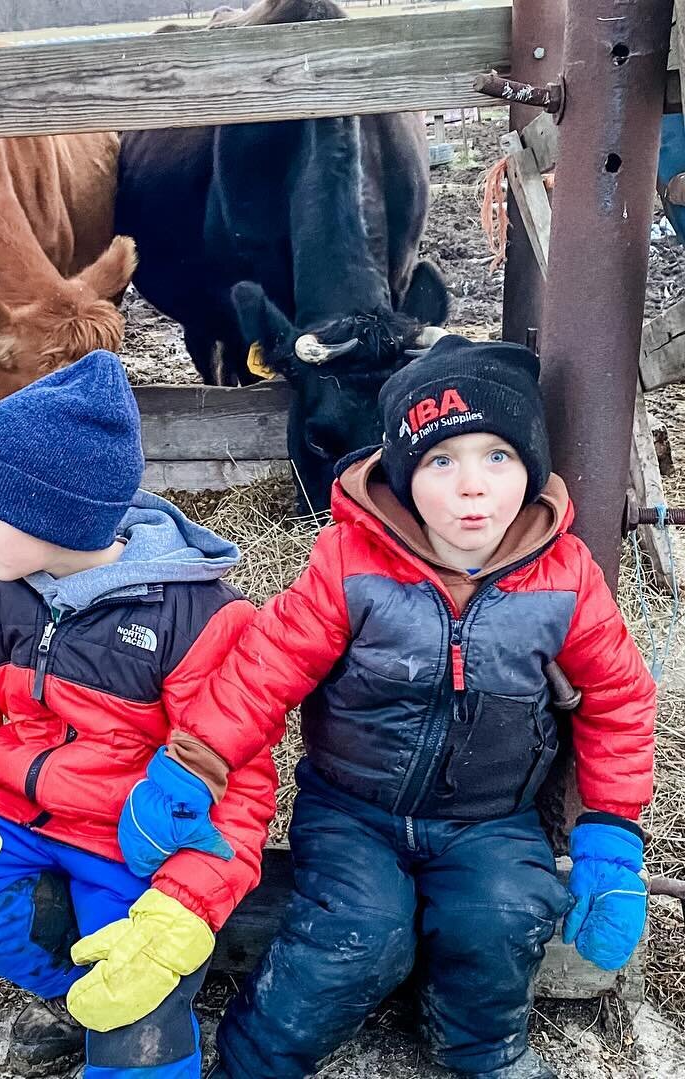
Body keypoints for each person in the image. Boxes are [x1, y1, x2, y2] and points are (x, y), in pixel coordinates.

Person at [181, 337, 656, 1079]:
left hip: (493, 819)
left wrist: (612, 834)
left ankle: (479, 1049)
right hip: (352, 810)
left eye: (497, 456)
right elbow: (264, 669)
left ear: (531, 465)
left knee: (501, 917)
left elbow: (620, 698)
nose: (473, 488)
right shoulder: (349, 563)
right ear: (402, 476)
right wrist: (196, 764)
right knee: (356, 934)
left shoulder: (565, 578)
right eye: (442, 461)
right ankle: (257, 1056)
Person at [0, 349, 279, 1078]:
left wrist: (182, 907)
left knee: (139, 1039)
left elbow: (237, 788)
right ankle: (69, 983)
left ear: (51, 515)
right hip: (17, 824)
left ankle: (141, 984)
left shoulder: (198, 620)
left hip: (130, 856)